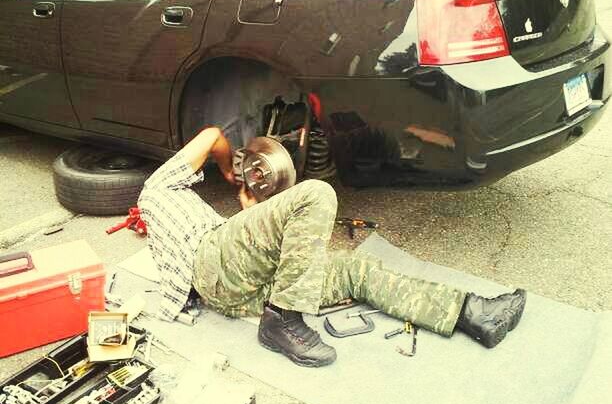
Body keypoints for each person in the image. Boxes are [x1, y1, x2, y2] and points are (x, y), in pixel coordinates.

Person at [138, 127, 526, 367]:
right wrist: (228, 171)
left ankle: (473, 313)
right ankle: (283, 320)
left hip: (231, 292)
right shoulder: (157, 188)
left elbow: (247, 242)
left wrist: (249, 207)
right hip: (209, 265)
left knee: (354, 270)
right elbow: (212, 136)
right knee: (316, 194)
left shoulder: (192, 217)